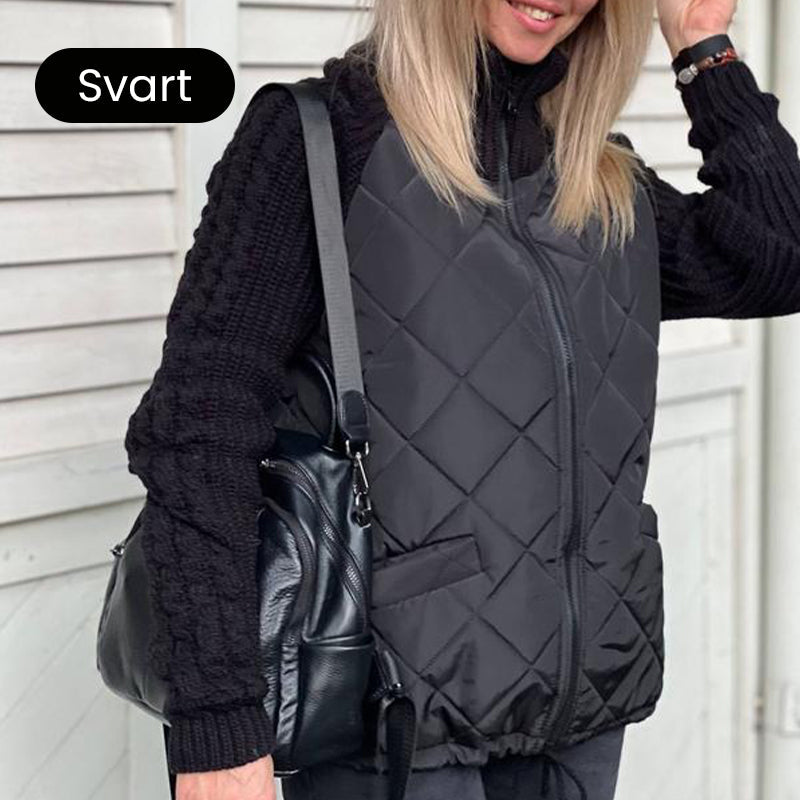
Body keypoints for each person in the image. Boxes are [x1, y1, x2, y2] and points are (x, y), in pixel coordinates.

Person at [124, 0, 800, 798]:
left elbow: (778, 259)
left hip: (577, 716)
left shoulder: (598, 177)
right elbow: (197, 429)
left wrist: (701, 45)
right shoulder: (325, 139)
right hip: (393, 726)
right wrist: (216, 728)